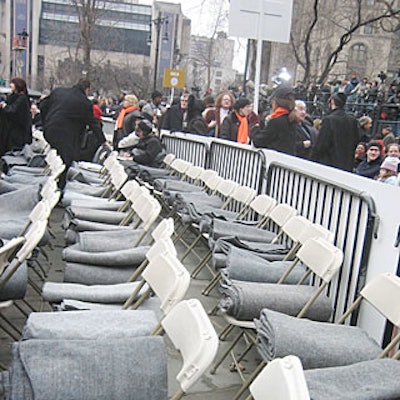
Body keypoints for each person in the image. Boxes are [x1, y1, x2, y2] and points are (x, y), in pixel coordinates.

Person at [40, 78, 105, 188]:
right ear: (87, 89)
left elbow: (42, 105)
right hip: (66, 136)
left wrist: (45, 121)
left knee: (56, 160)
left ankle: (52, 187)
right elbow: (93, 123)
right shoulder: (85, 102)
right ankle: (58, 188)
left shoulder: (58, 91)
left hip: (49, 130)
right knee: (65, 161)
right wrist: (102, 140)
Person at [311, 92, 359, 171]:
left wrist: (312, 159)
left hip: (329, 165)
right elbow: (355, 141)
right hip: (347, 165)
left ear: (332, 102)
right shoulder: (352, 120)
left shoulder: (329, 120)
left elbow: (321, 145)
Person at [251, 84, 298, 155]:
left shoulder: (276, 122)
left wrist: (255, 129)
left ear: (275, 103)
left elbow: (258, 141)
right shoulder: (292, 120)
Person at [0, 77, 32, 157]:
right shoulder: (12, 96)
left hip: (16, 132)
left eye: (12, 83)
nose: (10, 85)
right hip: (8, 130)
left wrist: (4, 106)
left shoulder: (22, 98)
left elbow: (13, 110)